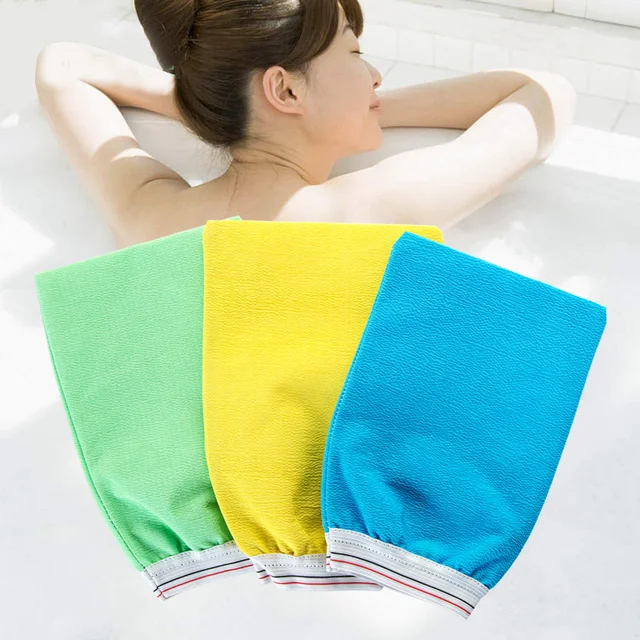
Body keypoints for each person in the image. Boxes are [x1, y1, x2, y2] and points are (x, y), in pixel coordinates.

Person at [34, 0, 576, 250]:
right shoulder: (371, 210)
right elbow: (545, 95)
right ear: (286, 90)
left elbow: (61, 64)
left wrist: (218, 107)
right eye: (354, 52)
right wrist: (363, 110)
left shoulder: (153, 218)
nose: (375, 76)